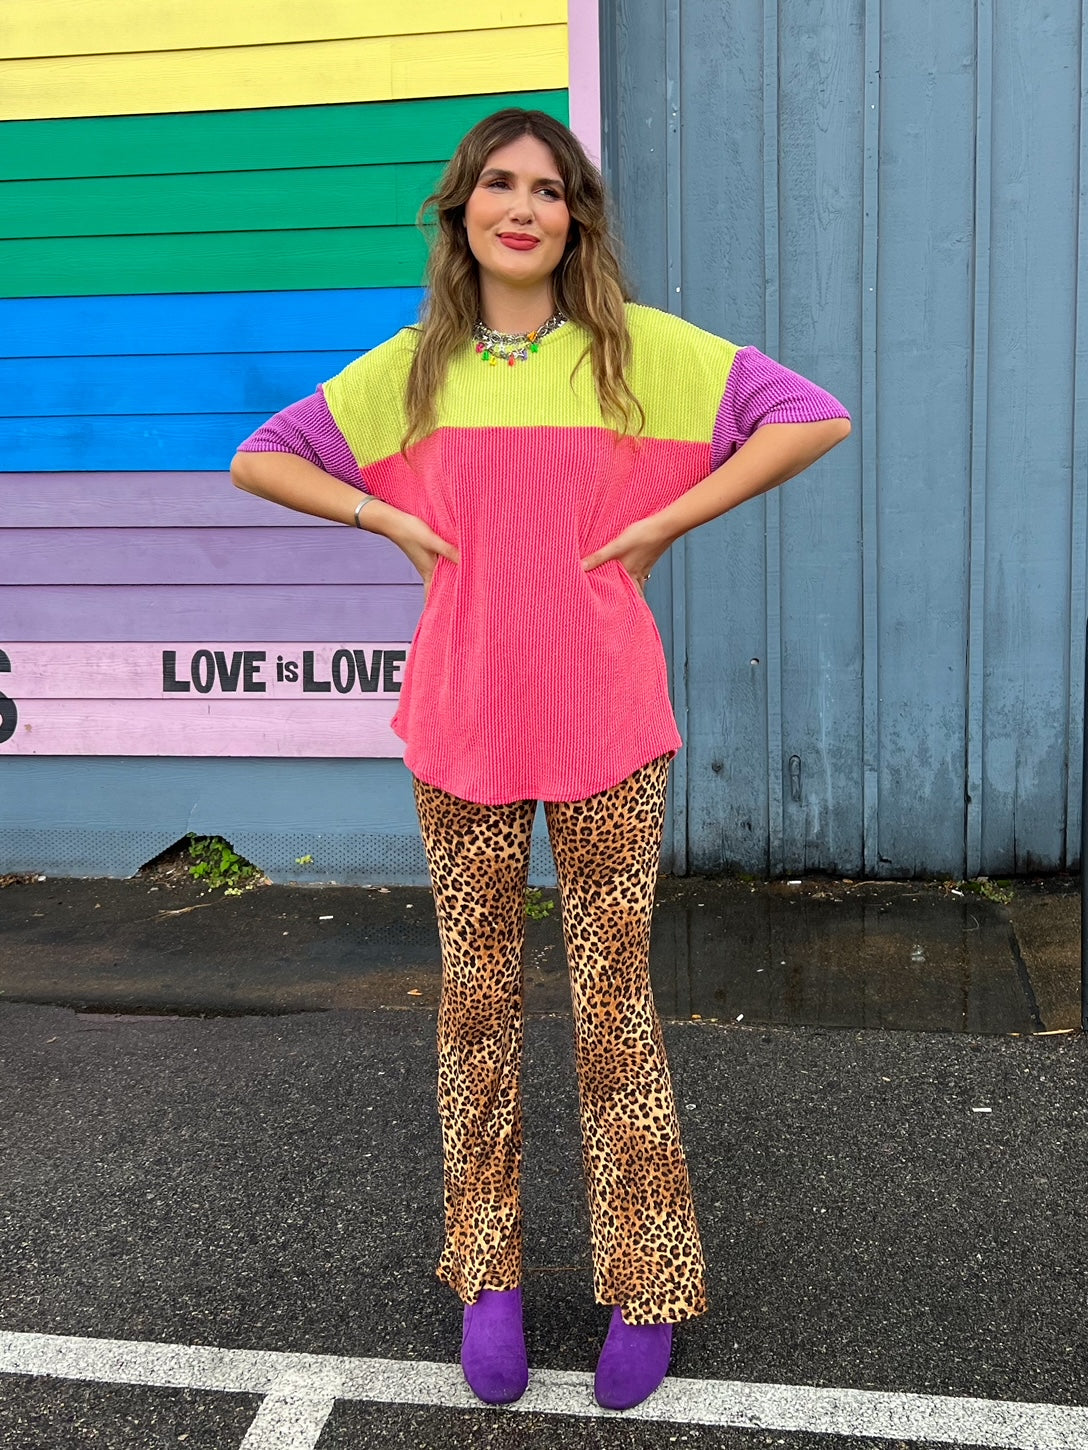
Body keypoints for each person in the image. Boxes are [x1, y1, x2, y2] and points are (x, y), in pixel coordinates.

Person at [230, 107, 850, 1412]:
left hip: (608, 720)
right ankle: (488, 1278)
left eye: (552, 189)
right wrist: (385, 513)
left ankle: (649, 1283)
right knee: (476, 1005)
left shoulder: (640, 354)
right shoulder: (414, 370)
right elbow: (262, 457)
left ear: (577, 219)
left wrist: (667, 521)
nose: (526, 207)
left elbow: (812, 417)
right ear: (462, 208)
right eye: (502, 184)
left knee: (613, 1005)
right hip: (460, 722)